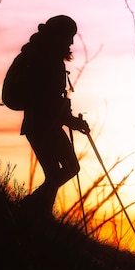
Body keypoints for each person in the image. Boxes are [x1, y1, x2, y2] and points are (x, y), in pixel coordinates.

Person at [18, 15, 89, 217]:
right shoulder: (47, 60)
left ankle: (40, 213)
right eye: (69, 36)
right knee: (67, 169)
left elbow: (50, 99)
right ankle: (31, 207)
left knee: (59, 172)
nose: (71, 42)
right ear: (59, 35)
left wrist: (70, 119)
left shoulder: (45, 57)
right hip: (42, 125)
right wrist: (72, 121)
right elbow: (47, 100)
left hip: (41, 124)